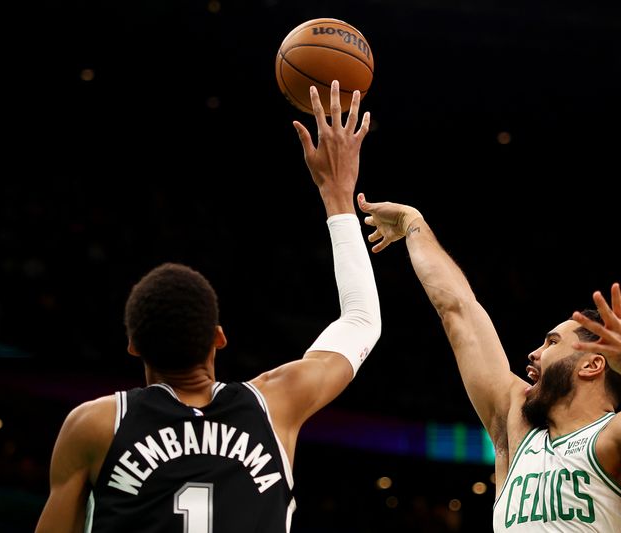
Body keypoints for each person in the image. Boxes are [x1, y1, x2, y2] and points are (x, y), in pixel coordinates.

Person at [34, 80, 381, 533]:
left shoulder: (96, 425)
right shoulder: (274, 405)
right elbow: (361, 321)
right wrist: (338, 195)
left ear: (134, 346)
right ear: (218, 336)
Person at [357, 196, 621, 531]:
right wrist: (413, 223)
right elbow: (458, 309)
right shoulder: (515, 426)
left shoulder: (618, 432)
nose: (533, 353)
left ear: (591, 365)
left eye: (552, 342)